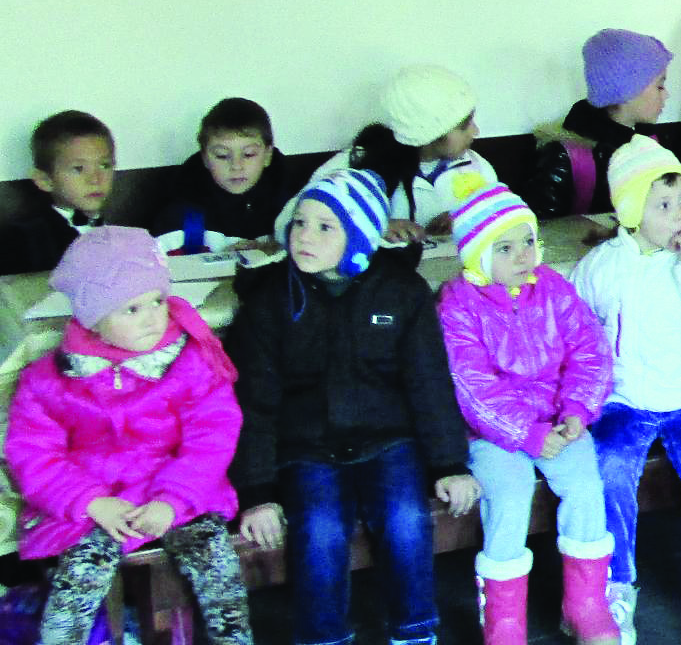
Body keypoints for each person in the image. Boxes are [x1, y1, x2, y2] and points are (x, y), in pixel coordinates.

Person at [228, 168, 479, 645]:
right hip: (306, 446)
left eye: (326, 227)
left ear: (360, 235)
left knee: (406, 519)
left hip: (389, 440)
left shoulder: (402, 293)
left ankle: (414, 631)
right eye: (300, 222)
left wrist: (449, 463)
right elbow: (254, 404)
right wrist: (257, 493)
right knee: (319, 530)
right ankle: (323, 637)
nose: (304, 236)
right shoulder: (268, 302)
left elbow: (428, 382)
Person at [6, 227, 250, 645]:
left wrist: (173, 500)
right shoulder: (50, 379)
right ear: (93, 318)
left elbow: (212, 437)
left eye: (157, 301)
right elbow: (33, 453)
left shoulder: (189, 364)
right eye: (131, 309)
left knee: (218, 568)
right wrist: (88, 502)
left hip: (180, 494)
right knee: (77, 580)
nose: (154, 316)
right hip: (96, 501)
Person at [570, 136, 681, 645]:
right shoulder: (602, 265)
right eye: (663, 205)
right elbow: (578, 332)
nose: (679, 215)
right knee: (609, 468)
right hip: (625, 397)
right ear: (631, 211)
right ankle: (615, 588)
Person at [435, 178, 617, 645]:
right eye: (506, 247)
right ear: (477, 256)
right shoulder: (458, 305)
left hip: (558, 420)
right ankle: (504, 619)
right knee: (511, 493)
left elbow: (590, 348)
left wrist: (578, 408)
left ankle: (586, 603)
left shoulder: (553, 288)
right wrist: (526, 434)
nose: (524, 255)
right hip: (492, 432)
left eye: (530, 241)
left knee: (584, 483)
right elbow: (471, 387)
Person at [303, 65, 495, 241]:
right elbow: (289, 225)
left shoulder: (477, 167)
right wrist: (373, 227)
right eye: (464, 126)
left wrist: (469, 221)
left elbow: (507, 223)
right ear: (430, 133)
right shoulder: (354, 166)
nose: (475, 132)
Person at [524, 29, 672, 219]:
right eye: (660, 86)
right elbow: (544, 231)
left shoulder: (649, 142)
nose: (666, 95)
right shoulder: (566, 157)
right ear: (626, 91)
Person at [150, 98, 290, 252]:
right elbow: (161, 270)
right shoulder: (179, 220)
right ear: (204, 158)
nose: (236, 166)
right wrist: (223, 262)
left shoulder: (293, 210)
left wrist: (278, 257)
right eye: (222, 155)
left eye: (249, 154)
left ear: (268, 155)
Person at [4, 110, 115, 275]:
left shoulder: (121, 234)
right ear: (45, 180)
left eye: (104, 166)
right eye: (79, 169)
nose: (95, 179)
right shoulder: (25, 241)